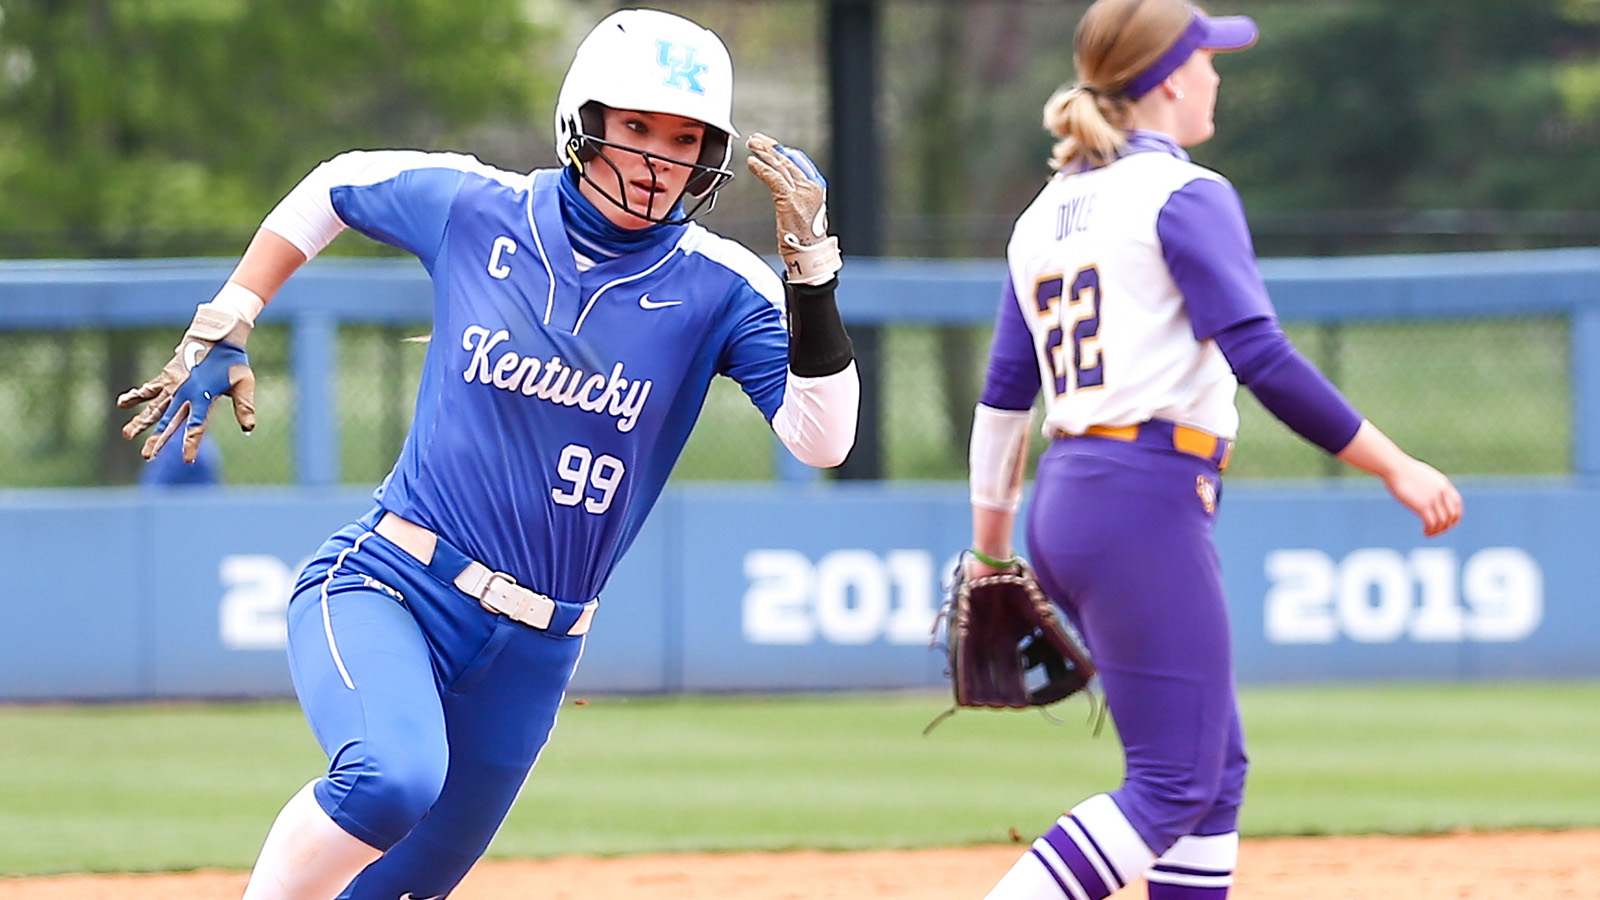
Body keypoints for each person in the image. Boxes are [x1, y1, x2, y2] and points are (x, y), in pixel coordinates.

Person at [116, 9, 859, 899]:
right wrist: (233, 311)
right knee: (389, 780)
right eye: (636, 127)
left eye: (686, 138)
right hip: (397, 582)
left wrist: (810, 272)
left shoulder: (720, 283)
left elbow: (823, 438)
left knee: (406, 885)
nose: (660, 159)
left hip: (538, 650)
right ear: (582, 121)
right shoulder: (481, 207)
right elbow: (335, 183)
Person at [963, 2, 1462, 899]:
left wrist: (992, 546)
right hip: (1142, 494)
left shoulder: (1042, 215)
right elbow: (1261, 356)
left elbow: (1004, 399)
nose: (1217, 77)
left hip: (1071, 500)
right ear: (1167, 81)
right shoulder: (1184, 193)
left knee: (1213, 774)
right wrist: (1396, 463)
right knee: (1172, 783)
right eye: (1208, 60)